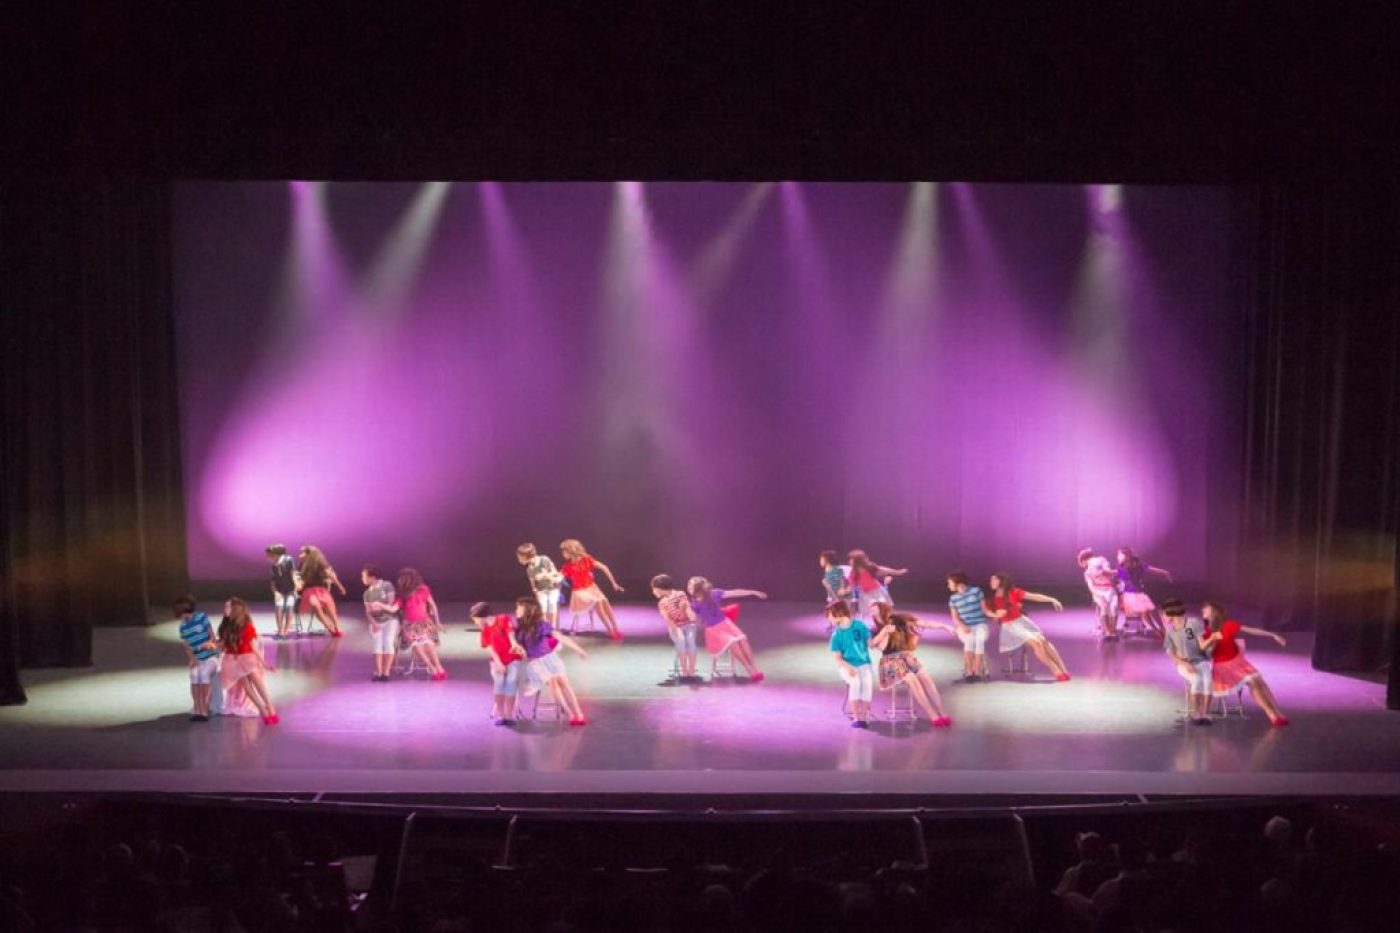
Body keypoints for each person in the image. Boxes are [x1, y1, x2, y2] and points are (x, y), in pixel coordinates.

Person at [1202, 601, 1290, 726]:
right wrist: (1212, 640)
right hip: (1223, 667)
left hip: (1237, 662)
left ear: (1214, 612)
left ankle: (1277, 712)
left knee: (1260, 682)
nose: (1203, 611)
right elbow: (1205, 650)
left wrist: (1272, 635)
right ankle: (1271, 714)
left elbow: (1251, 630)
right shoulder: (1206, 631)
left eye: (1206, 609)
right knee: (1253, 682)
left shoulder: (1228, 624)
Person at [869, 603, 954, 726]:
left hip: (907, 657)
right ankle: (933, 715)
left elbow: (924, 623)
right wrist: (884, 632)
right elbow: (872, 645)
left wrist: (945, 626)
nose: (871, 609)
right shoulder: (874, 629)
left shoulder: (898, 619)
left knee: (925, 678)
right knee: (911, 678)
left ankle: (942, 713)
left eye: (874, 607)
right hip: (890, 661)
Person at [514, 595, 589, 725]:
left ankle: (578, 713)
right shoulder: (519, 630)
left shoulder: (542, 625)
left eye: (519, 608)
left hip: (550, 658)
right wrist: (520, 651)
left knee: (563, 681)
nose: (516, 610)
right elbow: (522, 651)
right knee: (553, 680)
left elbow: (561, 637)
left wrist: (579, 650)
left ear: (527, 609)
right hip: (535, 662)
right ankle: (569, 713)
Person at [986, 572, 1071, 681]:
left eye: (993, 579)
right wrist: (996, 615)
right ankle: (1055, 669)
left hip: (1022, 622)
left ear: (1001, 581)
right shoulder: (992, 599)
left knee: (1043, 640)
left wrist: (1052, 599)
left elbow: (1034, 596)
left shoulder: (1013, 592)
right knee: (1036, 642)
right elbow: (993, 616)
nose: (991, 582)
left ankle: (1063, 669)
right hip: (1009, 626)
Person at [687, 576, 767, 682]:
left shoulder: (714, 594)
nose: (688, 587)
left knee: (743, 639)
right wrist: (687, 610)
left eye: (690, 585)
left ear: (697, 588)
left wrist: (753, 592)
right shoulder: (694, 604)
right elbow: (694, 620)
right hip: (713, 630)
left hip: (726, 624)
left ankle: (754, 668)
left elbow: (735, 592)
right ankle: (749, 670)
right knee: (732, 642)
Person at [217, 597, 278, 724]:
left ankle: (269, 706)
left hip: (246, 657)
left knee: (256, 680)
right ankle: (262, 709)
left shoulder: (246, 626)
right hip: (232, 659)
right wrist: (216, 645)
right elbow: (224, 646)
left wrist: (265, 664)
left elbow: (254, 648)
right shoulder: (225, 627)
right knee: (246, 685)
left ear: (235, 609)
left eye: (228, 607)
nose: (225, 609)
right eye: (225, 606)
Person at [470, 602, 526, 725]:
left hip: (512, 657)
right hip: (497, 660)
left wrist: (514, 645)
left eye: (475, 619)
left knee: (511, 681)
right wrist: (499, 663)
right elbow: (491, 649)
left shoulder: (503, 619)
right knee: (499, 681)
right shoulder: (485, 630)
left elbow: (511, 634)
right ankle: (501, 715)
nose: (475, 622)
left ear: (482, 616)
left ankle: (508, 715)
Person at [559, 539, 625, 640]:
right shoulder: (567, 566)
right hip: (579, 592)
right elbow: (558, 577)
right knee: (597, 602)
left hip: (591, 588)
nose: (563, 554)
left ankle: (616, 628)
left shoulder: (586, 559)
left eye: (564, 551)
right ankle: (609, 629)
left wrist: (614, 583)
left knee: (605, 601)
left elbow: (604, 567)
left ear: (571, 551)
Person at [1162, 598, 1214, 725]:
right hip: (1184, 664)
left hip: (1201, 660)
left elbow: (1202, 644)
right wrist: (1185, 664)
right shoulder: (1170, 633)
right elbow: (1172, 655)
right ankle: (1196, 713)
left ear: (1172, 613)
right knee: (1197, 680)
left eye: (1164, 613)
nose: (1163, 616)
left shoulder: (1193, 623)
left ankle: (1206, 714)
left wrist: (1210, 646)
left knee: (1207, 682)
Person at [825, 600, 874, 727]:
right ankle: (856, 717)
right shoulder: (836, 635)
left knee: (867, 684)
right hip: (846, 665)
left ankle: (863, 716)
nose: (829, 619)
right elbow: (838, 659)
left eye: (830, 615)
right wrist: (849, 667)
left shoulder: (860, 625)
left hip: (864, 663)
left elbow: (871, 643)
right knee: (855, 682)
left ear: (838, 614)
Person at [395, 567, 446, 680]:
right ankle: (433, 669)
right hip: (409, 625)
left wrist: (437, 622)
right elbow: (396, 609)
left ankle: (439, 668)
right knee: (416, 644)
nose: (399, 580)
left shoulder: (423, 590)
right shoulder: (403, 594)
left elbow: (433, 605)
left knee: (429, 643)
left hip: (424, 622)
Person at [175, 595, 219, 721]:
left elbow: (212, 637)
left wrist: (207, 645)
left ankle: (205, 708)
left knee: (204, 674)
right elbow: (187, 646)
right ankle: (197, 708)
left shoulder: (201, 617)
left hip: (210, 655)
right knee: (194, 675)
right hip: (197, 658)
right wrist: (192, 659)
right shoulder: (182, 627)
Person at [652, 574, 699, 682]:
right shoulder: (662, 603)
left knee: (690, 641)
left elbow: (687, 613)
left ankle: (691, 670)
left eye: (654, 589)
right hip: (675, 628)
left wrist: (685, 609)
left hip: (689, 625)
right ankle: (684, 671)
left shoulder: (680, 594)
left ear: (660, 588)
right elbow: (668, 621)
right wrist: (678, 630)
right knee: (681, 641)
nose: (653, 591)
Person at [1116, 546, 1172, 637]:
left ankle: (1162, 628)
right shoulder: (1121, 568)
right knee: (1144, 612)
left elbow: (1152, 570)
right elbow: (1119, 580)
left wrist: (1165, 573)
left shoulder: (1138, 564)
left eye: (1120, 554)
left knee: (1152, 609)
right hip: (1129, 595)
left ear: (1127, 555)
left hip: (1140, 593)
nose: (1118, 556)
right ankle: (1156, 630)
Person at [947, 571, 991, 682]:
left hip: (980, 624)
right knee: (969, 640)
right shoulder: (953, 598)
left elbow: (985, 610)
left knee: (979, 640)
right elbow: (955, 618)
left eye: (950, 583)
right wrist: (962, 626)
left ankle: (977, 671)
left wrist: (997, 615)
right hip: (964, 626)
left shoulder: (976, 591)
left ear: (957, 582)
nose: (948, 586)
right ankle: (969, 671)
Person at [296, 545, 347, 637]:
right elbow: (299, 578)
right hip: (309, 590)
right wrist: (298, 584)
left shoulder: (320, 563)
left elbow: (331, 575)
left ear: (310, 555)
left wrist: (340, 586)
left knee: (329, 607)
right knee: (316, 605)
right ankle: (330, 627)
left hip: (321, 589)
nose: (300, 555)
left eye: (303, 553)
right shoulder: (302, 564)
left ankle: (337, 627)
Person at [360, 565, 398, 682]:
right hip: (376, 622)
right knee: (377, 645)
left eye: (364, 576)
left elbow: (391, 603)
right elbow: (367, 611)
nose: (362, 579)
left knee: (388, 642)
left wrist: (380, 606)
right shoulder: (367, 593)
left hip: (389, 620)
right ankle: (379, 672)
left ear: (372, 577)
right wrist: (373, 622)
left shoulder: (387, 585)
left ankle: (386, 673)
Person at [846, 549, 908, 618]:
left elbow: (884, 569)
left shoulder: (869, 567)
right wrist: (845, 591)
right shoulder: (853, 574)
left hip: (877, 591)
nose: (849, 561)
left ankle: (889, 620)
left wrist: (897, 572)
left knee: (884, 610)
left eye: (851, 559)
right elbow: (851, 586)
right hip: (866, 595)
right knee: (875, 610)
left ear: (857, 560)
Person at [1077, 547, 1121, 640]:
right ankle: (1108, 632)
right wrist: (1099, 596)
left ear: (1084, 560)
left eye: (1081, 562)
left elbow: (1108, 572)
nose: (1082, 565)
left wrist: (1115, 573)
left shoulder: (1100, 560)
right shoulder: (1087, 573)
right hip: (1098, 591)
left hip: (1110, 588)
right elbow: (1091, 587)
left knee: (1113, 607)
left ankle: (1113, 631)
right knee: (1104, 607)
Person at [517, 542, 564, 625]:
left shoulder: (544, 559)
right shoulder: (529, 569)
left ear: (525, 556)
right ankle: (545, 625)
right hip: (541, 590)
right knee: (542, 605)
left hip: (553, 587)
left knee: (552, 603)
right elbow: (532, 583)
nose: (519, 560)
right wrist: (535, 591)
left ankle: (553, 626)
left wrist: (544, 575)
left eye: (520, 558)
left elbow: (554, 572)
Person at [265, 544, 298, 639]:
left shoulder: (288, 560)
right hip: (280, 591)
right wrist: (275, 593)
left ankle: (286, 630)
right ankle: (280, 630)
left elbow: (293, 574)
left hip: (291, 590)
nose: (267, 557)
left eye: (269, 555)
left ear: (275, 554)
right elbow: (272, 582)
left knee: (289, 606)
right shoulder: (273, 566)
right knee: (279, 605)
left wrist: (295, 589)